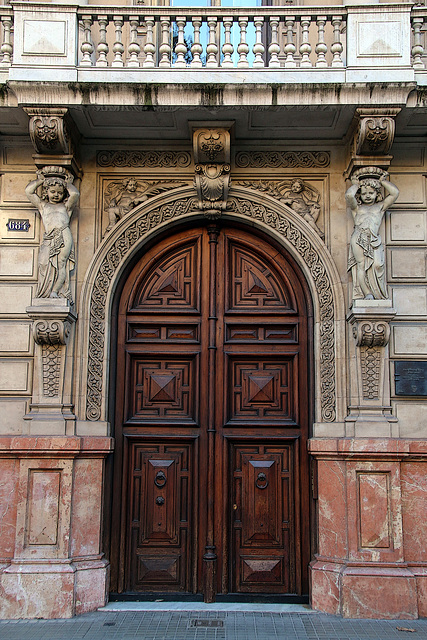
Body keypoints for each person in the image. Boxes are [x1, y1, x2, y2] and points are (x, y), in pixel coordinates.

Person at [25, 170, 79, 303]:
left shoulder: (66, 207)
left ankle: (55, 291)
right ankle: (47, 291)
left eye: (60, 193)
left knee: (61, 264)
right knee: (44, 263)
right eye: (53, 191)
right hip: (49, 238)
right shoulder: (43, 206)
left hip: (63, 234)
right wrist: (41, 181)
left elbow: (75, 194)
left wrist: (67, 183)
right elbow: (29, 191)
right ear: (46, 191)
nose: (56, 195)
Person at [346, 173, 399, 300]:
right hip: (359, 237)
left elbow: (395, 193)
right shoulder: (357, 209)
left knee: (377, 264)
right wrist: (356, 184)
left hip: (374, 239)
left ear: (377, 193)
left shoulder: (380, 207)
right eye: (364, 194)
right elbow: (349, 195)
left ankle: (376, 294)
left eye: (371, 193)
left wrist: (383, 181)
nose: (367, 196)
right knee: (361, 265)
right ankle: (367, 293)